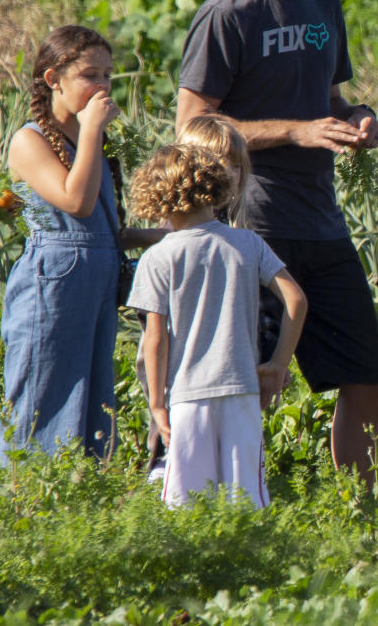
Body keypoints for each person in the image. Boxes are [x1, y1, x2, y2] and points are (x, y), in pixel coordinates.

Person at [175, 0, 378, 486]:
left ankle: (357, 514)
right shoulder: (227, 14)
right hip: (253, 219)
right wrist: (295, 131)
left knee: (367, 376)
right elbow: (191, 126)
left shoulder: (326, 9)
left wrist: (358, 119)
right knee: (244, 381)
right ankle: (238, 503)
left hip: (320, 221)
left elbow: (331, 99)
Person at [0, 25, 163, 465]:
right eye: (91, 75)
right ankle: (24, 501)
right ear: (53, 79)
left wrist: (168, 237)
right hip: (53, 289)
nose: (103, 87)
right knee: (42, 398)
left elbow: (102, 231)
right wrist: (91, 132)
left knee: (91, 398)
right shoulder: (29, 140)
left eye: (108, 76)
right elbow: (76, 202)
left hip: (94, 285)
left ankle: (82, 496)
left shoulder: (91, 143)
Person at [126, 143, 307, 507]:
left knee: (184, 504)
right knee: (246, 501)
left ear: (156, 198)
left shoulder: (158, 257)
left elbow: (156, 338)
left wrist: (157, 401)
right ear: (216, 187)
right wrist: (277, 364)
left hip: (187, 397)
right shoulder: (247, 243)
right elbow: (296, 300)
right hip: (241, 391)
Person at [138, 115, 252, 480]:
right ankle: (163, 459)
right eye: (218, 163)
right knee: (167, 404)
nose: (228, 172)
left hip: (219, 371)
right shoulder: (175, 233)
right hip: (179, 365)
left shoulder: (236, 232)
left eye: (235, 164)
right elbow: (155, 338)